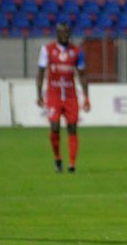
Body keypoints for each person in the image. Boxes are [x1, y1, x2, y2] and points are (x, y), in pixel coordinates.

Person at [36, 22, 91, 173]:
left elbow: (82, 76)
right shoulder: (47, 50)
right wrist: (39, 94)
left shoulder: (77, 51)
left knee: (72, 128)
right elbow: (40, 74)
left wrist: (87, 97)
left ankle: (72, 164)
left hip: (70, 96)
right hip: (53, 95)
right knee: (54, 127)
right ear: (57, 33)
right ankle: (57, 157)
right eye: (62, 32)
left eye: (67, 32)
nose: (65, 35)